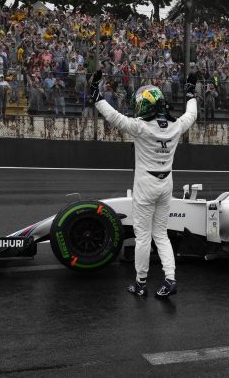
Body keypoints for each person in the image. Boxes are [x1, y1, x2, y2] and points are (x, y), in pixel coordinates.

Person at [91, 79, 197, 298]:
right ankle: (170, 279)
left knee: (143, 237)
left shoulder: (140, 127)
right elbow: (192, 115)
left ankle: (140, 284)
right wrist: (190, 94)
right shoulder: (176, 125)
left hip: (145, 185)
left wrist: (97, 97)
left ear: (146, 105)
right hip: (166, 183)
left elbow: (114, 117)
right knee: (161, 235)